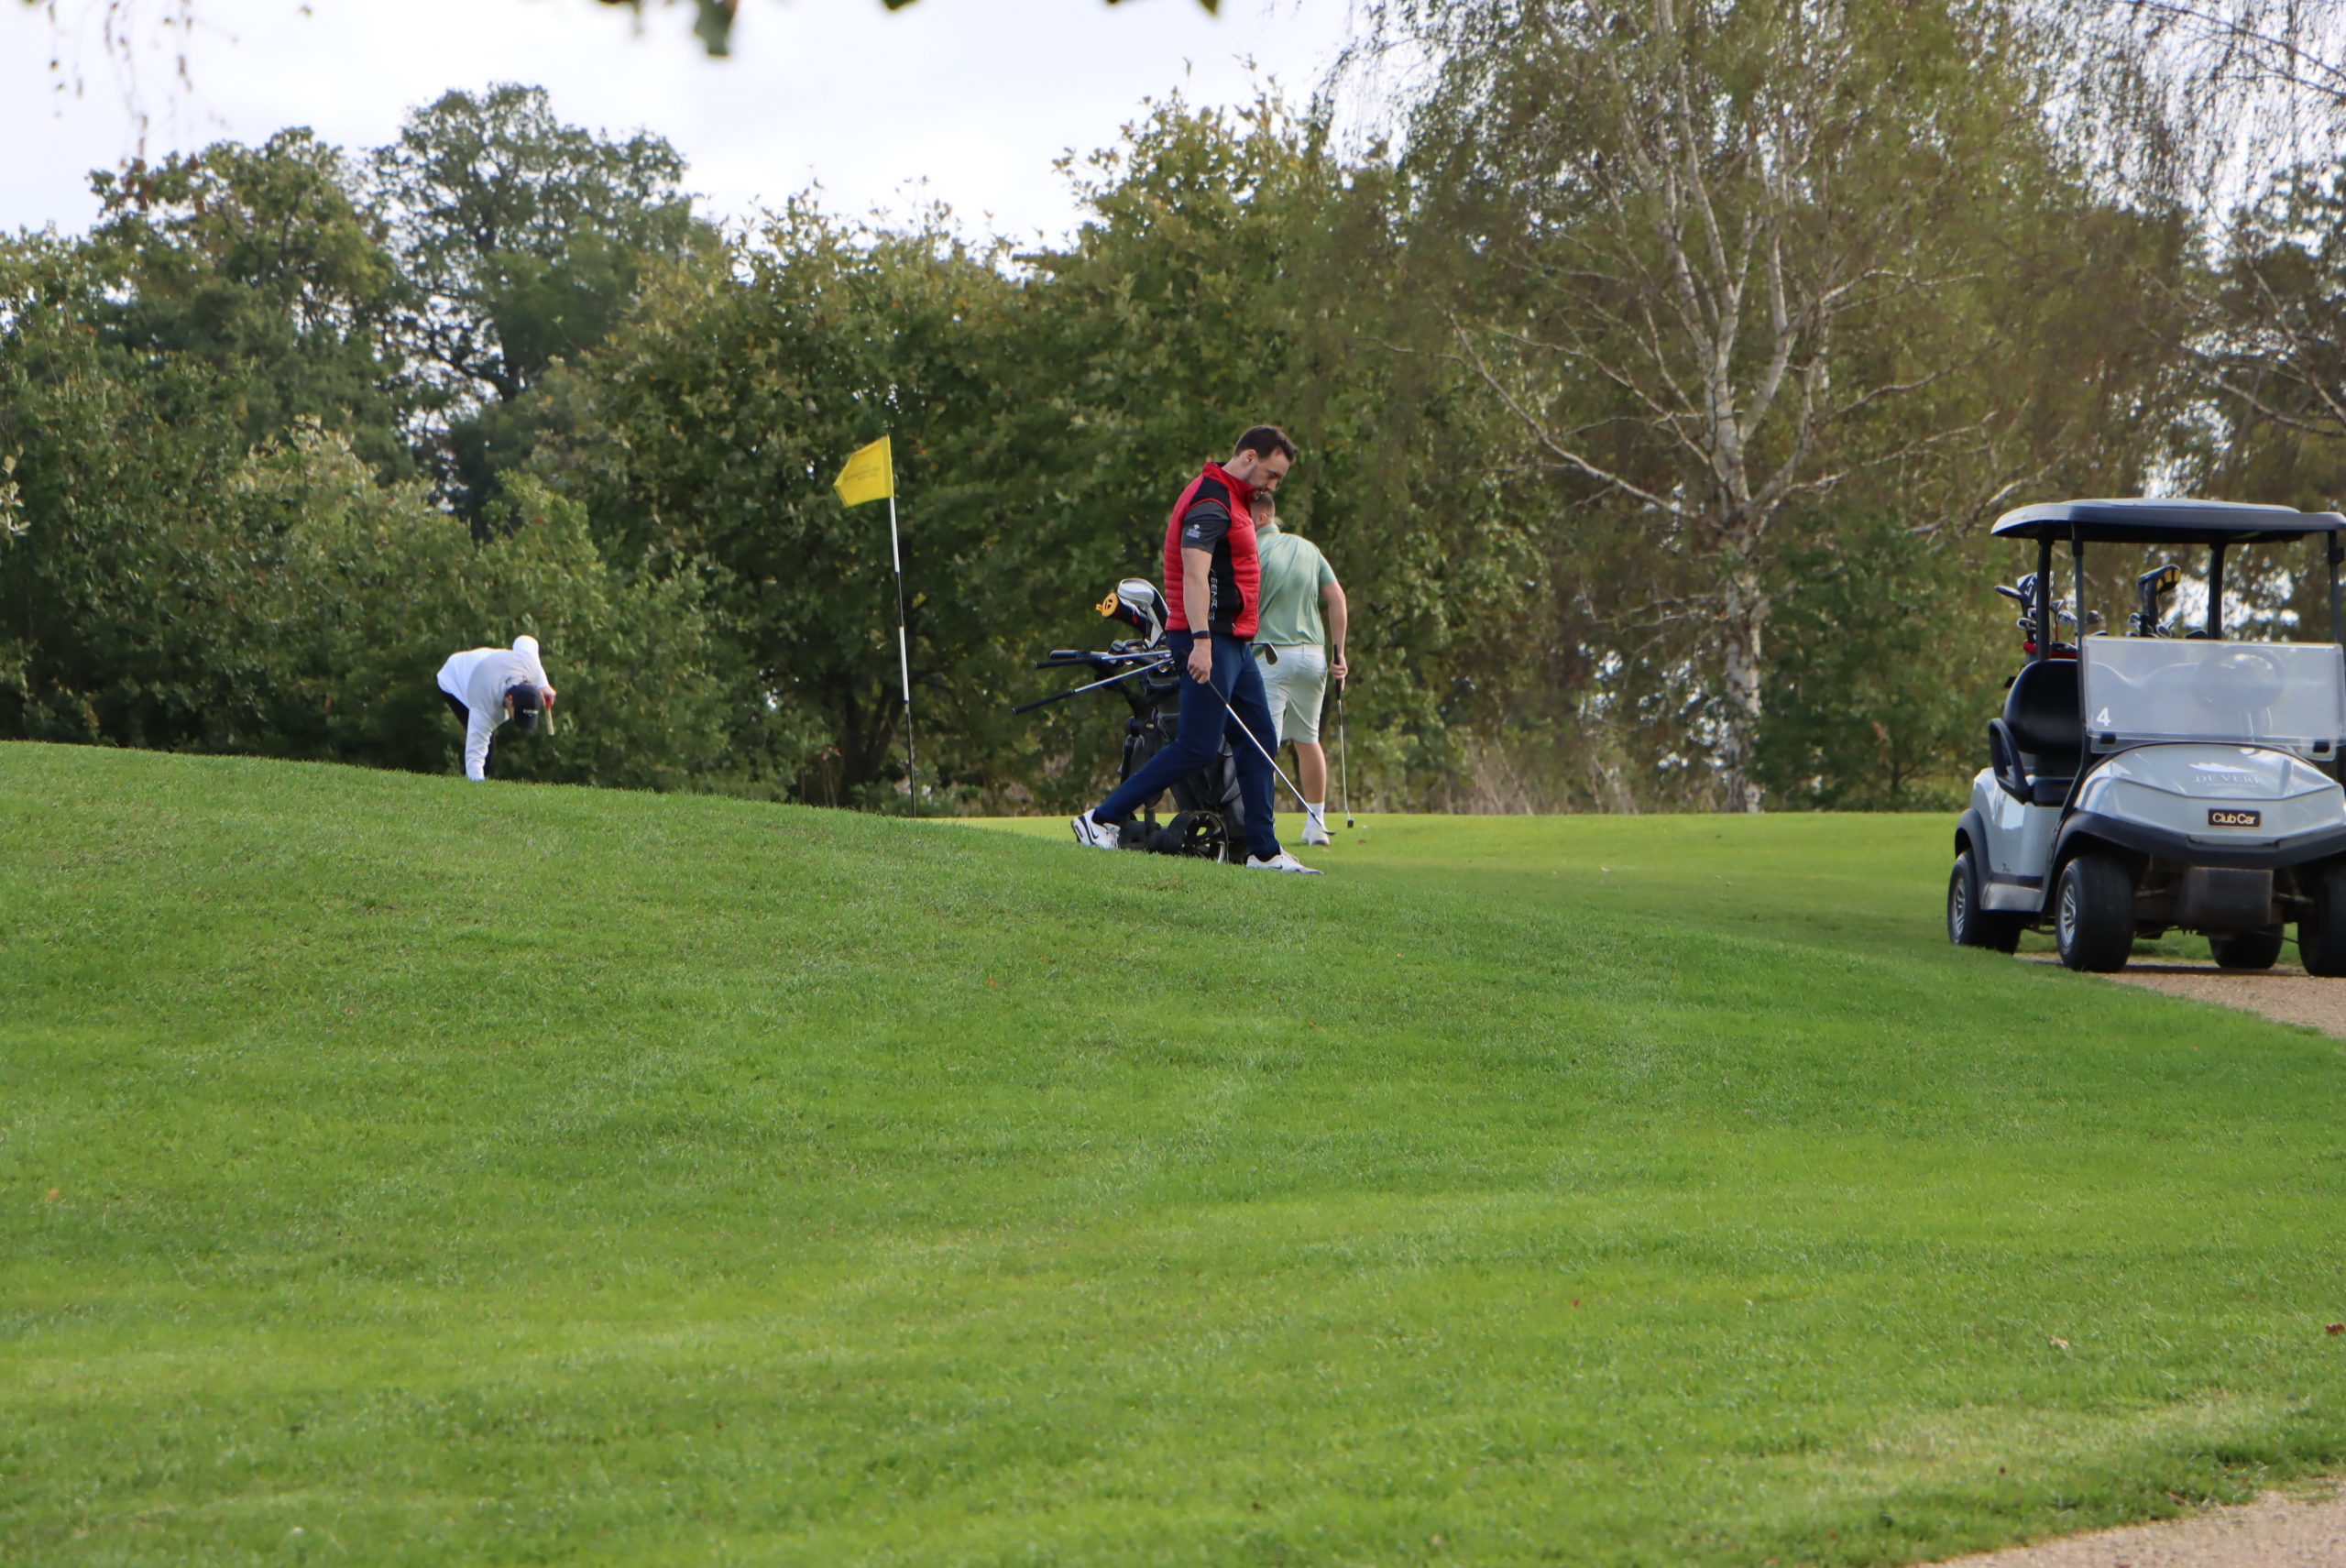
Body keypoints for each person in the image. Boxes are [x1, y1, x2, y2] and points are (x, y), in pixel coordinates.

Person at [1071, 426, 1320, 873]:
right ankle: (1100, 819)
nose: (1273, 486)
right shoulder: (1211, 500)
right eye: (1272, 474)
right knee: (1199, 746)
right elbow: (1194, 574)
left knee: (1260, 739)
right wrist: (1201, 641)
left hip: (1236, 642)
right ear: (1248, 457)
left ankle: (1263, 852)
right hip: (1208, 639)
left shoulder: (1237, 501)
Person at [1249, 488, 1347, 846]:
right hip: (1313, 657)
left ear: (1261, 517)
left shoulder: (1252, 551)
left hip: (1271, 655)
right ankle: (1316, 824)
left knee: (1265, 745)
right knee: (1308, 740)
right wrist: (1339, 654)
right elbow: (1336, 598)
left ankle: (1264, 827)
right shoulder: (1309, 549)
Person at [436, 634, 555, 782]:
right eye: (518, 715)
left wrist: (543, 684)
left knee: (489, 740)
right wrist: (476, 783)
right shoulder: (485, 705)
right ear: (510, 700)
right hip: (454, 677)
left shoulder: (531, 666)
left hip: (485, 665)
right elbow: (475, 756)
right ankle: (475, 786)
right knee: (488, 743)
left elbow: (525, 640)